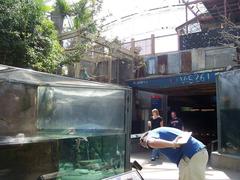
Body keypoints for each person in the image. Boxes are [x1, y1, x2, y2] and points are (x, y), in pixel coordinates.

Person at [140, 127, 208, 180]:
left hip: (190, 156)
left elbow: (152, 142)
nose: (149, 147)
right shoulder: (161, 131)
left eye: (146, 146)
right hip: (197, 153)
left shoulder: (152, 134)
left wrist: (173, 144)